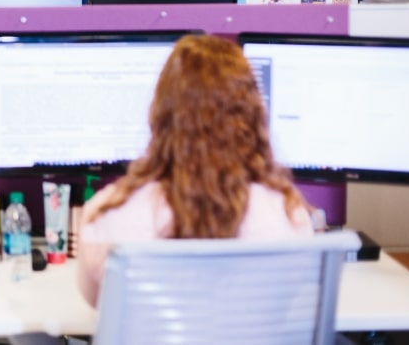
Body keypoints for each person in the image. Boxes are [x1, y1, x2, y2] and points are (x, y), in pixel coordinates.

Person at [76, 33, 315, 308]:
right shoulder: (287, 214)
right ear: (251, 116)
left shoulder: (108, 214)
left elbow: (98, 306)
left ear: (161, 113)